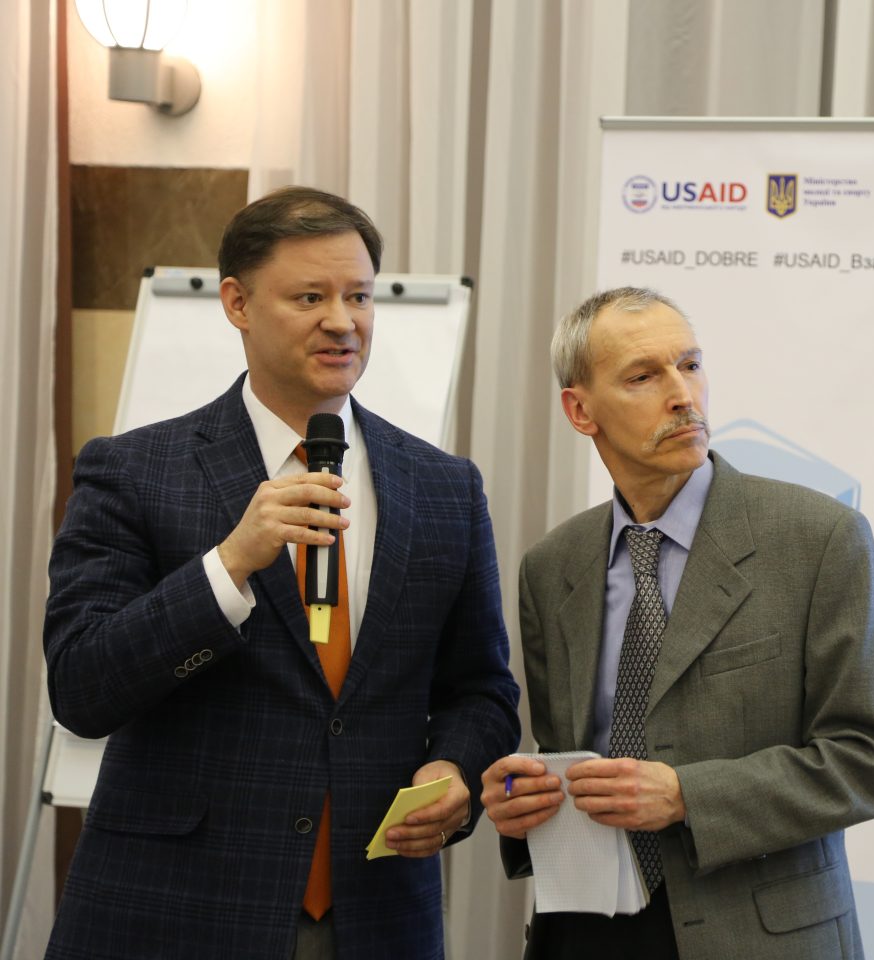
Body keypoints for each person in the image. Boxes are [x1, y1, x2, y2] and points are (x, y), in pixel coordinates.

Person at [42, 187, 520, 960]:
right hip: (175, 913)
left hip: (375, 914)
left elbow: (483, 691)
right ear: (237, 302)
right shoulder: (133, 470)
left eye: (358, 296)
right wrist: (228, 566)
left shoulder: (445, 487)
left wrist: (455, 768)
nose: (343, 321)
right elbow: (81, 689)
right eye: (310, 297)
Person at [479, 287, 874, 959]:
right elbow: (566, 751)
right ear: (580, 410)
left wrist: (687, 796)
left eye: (690, 365)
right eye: (643, 377)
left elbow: (869, 759)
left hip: (756, 937)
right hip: (587, 931)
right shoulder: (551, 566)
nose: (683, 395)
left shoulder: (819, 538)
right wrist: (523, 804)